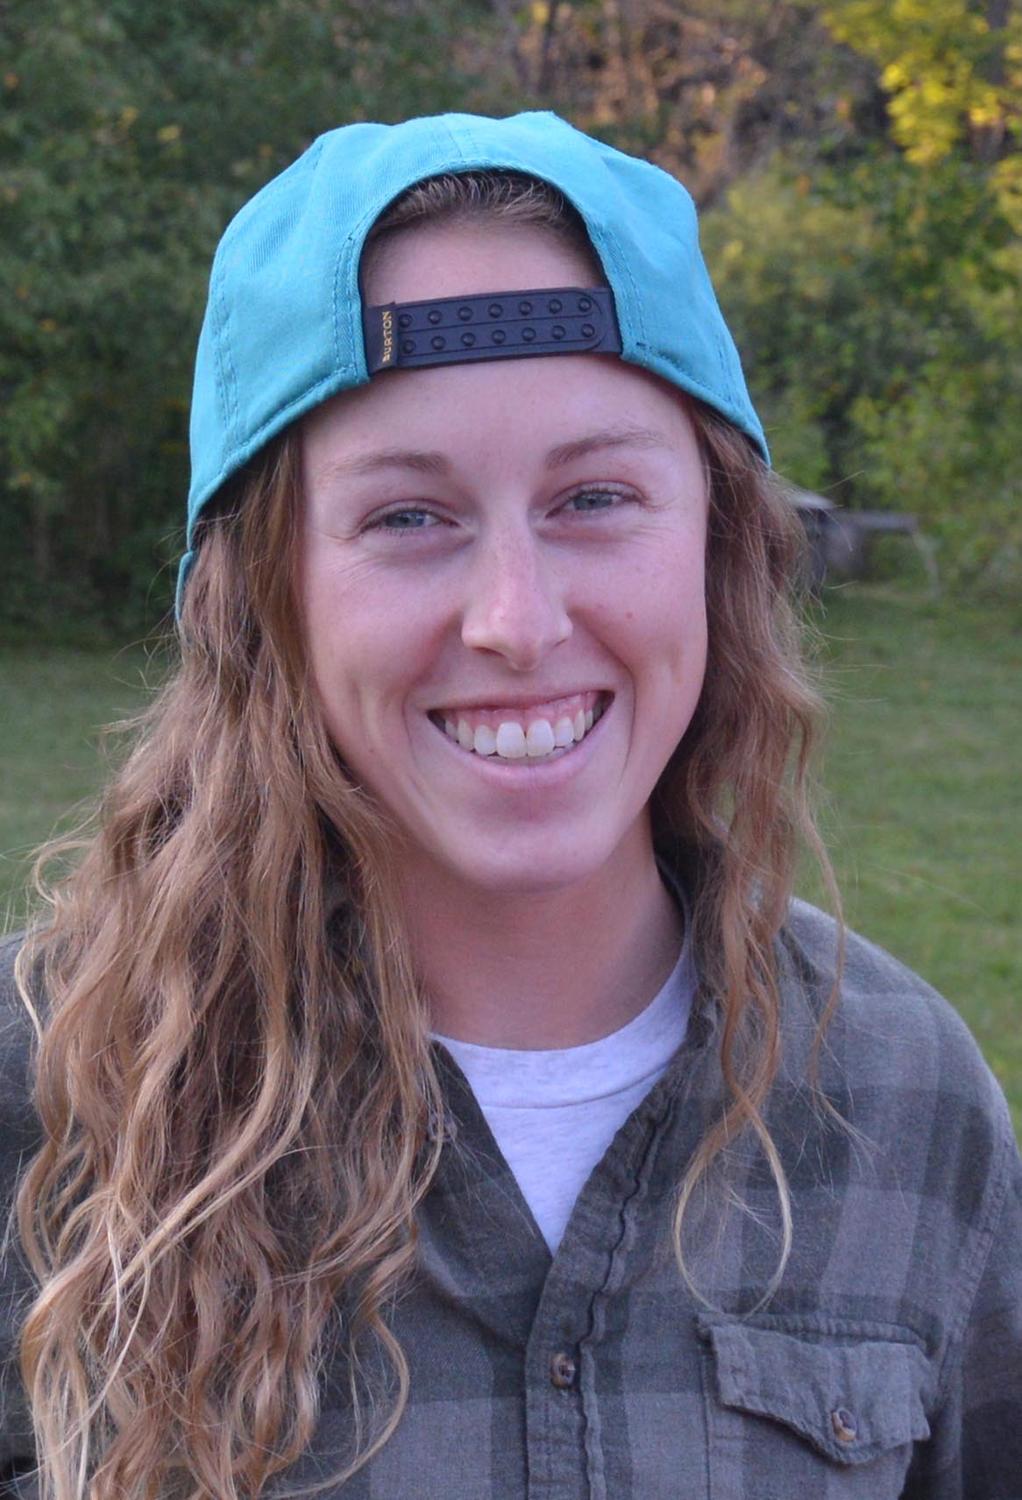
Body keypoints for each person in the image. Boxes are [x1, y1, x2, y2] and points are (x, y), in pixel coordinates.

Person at [1, 110, 1019, 1500]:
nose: (517, 621)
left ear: (718, 543)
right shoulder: (49, 1099)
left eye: (594, 495)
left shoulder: (906, 1101)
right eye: (408, 517)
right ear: (264, 596)